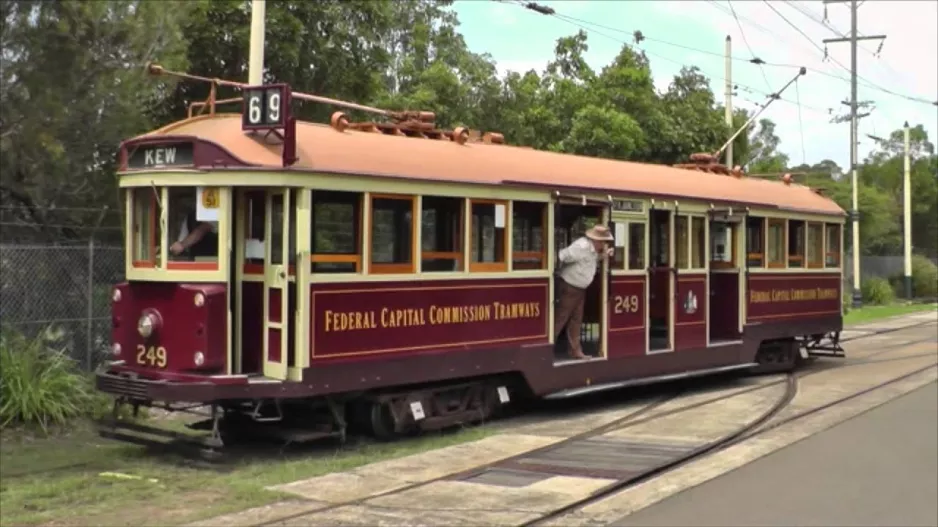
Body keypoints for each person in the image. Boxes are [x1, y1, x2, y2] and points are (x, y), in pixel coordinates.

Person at [555, 224, 615, 359]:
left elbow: (590, 260)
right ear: (597, 240)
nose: (604, 244)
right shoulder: (580, 247)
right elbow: (562, 255)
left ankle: (575, 351)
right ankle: (546, 348)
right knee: (561, 318)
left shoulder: (591, 250)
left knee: (576, 320)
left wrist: (604, 256)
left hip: (579, 289)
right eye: (604, 242)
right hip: (570, 287)